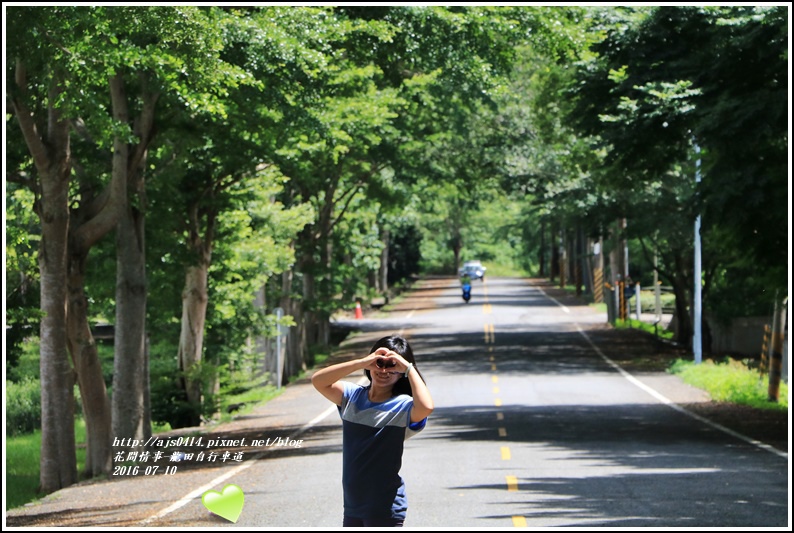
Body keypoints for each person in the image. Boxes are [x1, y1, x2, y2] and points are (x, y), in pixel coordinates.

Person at [311, 334, 434, 527]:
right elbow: (318, 380)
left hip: (384, 507)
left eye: (392, 366)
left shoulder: (402, 406)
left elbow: (426, 407)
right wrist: (361, 362)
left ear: (401, 371)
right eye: (379, 363)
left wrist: (408, 368)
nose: (384, 370)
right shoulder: (352, 397)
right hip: (353, 506)